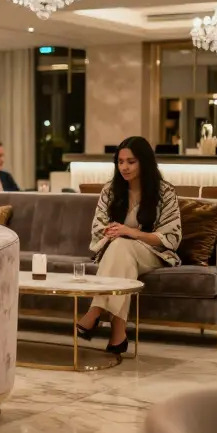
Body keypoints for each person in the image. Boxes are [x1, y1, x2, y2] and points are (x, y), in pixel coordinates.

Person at [78, 136, 180, 353]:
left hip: (153, 253)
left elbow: (171, 237)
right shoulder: (110, 190)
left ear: (144, 162)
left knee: (122, 246)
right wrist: (113, 232)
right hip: (117, 251)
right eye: (120, 161)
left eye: (131, 162)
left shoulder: (164, 192)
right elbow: (98, 229)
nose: (124, 167)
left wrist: (131, 233)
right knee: (121, 252)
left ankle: (95, 311)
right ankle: (118, 336)